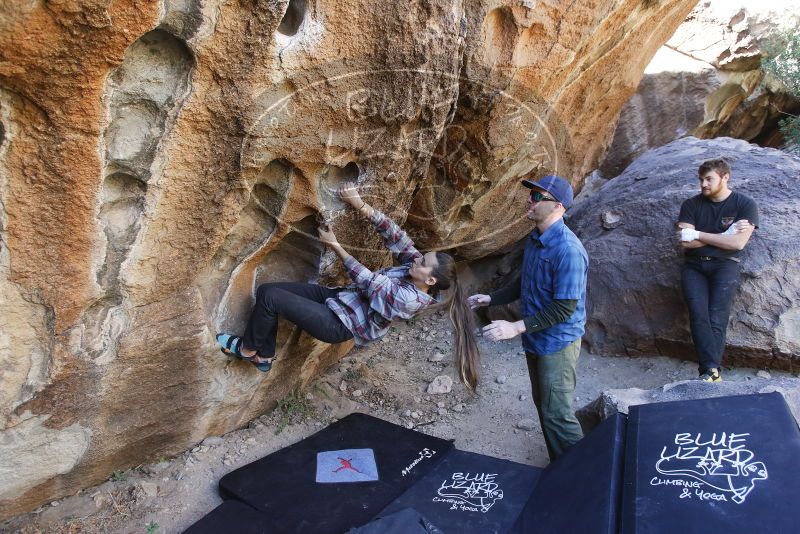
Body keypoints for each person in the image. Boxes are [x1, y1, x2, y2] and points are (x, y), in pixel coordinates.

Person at [216, 183, 481, 390]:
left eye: (424, 262)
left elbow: (367, 280)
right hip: (339, 298)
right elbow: (396, 236)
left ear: (430, 280)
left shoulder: (411, 299)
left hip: (339, 323)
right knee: (266, 292)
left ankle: (248, 350)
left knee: (272, 298)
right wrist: (361, 205)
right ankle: (264, 354)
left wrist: (334, 244)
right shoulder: (416, 269)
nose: (417, 259)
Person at [468, 175, 588, 461]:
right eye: (531, 195)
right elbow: (527, 281)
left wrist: (515, 327)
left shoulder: (568, 251)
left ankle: (586, 477)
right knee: (544, 406)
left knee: (557, 414)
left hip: (557, 342)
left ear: (558, 206)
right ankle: (561, 467)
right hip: (538, 336)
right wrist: (491, 298)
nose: (529, 201)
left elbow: (564, 308)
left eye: (537, 196)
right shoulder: (536, 239)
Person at [677, 158, 758, 382]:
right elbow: (686, 241)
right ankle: (711, 371)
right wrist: (725, 234)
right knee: (698, 314)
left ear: (725, 177)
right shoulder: (691, 205)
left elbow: (738, 244)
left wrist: (699, 234)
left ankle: (710, 370)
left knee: (717, 317)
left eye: (709, 179)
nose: (703, 184)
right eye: (701, 179)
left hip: (726, 265)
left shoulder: (745, 204)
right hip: (694, 266)